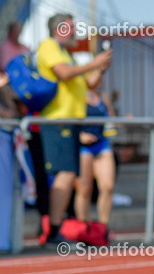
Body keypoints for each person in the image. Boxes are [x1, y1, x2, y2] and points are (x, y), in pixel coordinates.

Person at [36, 13, 112, 243]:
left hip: (70, 122)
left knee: (69, 175)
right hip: (59, 120)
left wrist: (100, 67)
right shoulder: (49, 46)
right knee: (65, 175)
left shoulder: (65, 52)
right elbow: (65, 74)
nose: (74, 31)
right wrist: (93, 64)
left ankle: (59, 226)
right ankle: (54, 228)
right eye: (70, 27)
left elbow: (86, 83)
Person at [74, 78, 117, 228]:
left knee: (107, 186)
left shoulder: (102, 96)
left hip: (101, 143)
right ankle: (83, 227)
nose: (98, 79)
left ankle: (102, 228)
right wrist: (79, 135)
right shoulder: (76, 94)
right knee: (84, 189)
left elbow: (112, 121)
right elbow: (69, 120)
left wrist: (124, 121)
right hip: (83, 147)